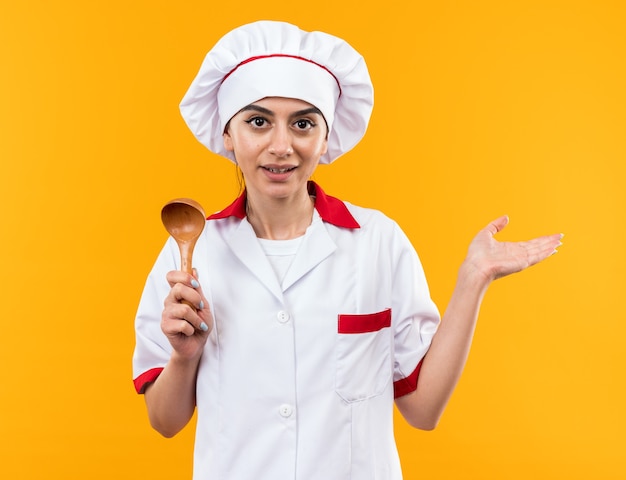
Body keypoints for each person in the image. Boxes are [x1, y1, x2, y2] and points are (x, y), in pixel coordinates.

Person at [132, 20, 562, 480]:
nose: (282, 146)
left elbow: (423, 409)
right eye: (258, 121)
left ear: (326, 136)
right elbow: (165, 421)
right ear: (228, 135)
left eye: (303, 123)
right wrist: (184, 356)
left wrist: (473, 279)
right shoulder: (192, 252)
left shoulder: (378, 241)